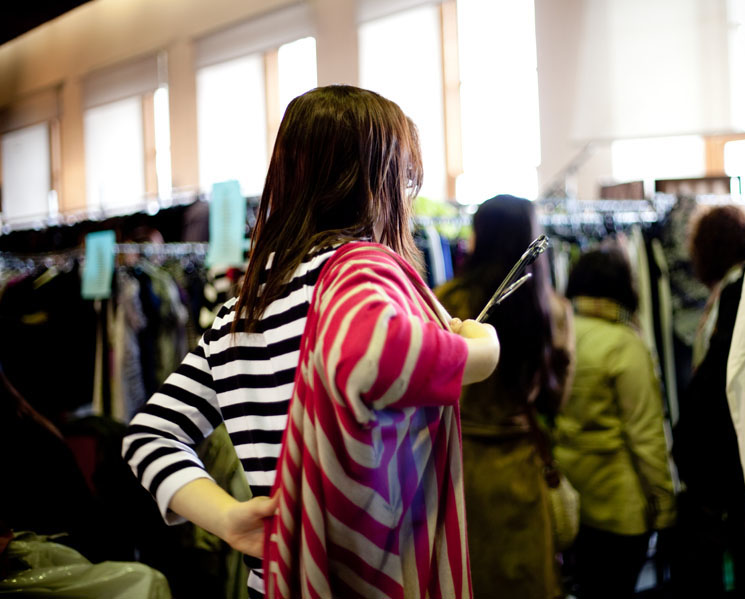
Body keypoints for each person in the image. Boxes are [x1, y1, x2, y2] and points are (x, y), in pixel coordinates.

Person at [123, 85, 500, 599]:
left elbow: (149, 434)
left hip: (279, 579)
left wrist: (228, 518)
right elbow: (376, 358)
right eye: (405, 176)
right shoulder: (359, 270)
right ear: (379, 180)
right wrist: (482, 349)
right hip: (368, 580)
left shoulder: (239, 313)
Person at [435, 195, 574, 599]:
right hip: (521, 470)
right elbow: (557, 400)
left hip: (460, 470)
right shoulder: (552, 309)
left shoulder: (447, 303)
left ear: (479, 236)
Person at [553, 242, 675, 598]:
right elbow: (646, 435)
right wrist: (665, 506)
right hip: (619, 506)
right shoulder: (624, 344)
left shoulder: (559, 335)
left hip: (572, 498)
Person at [671, 204, 745, 597]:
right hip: (735, 442)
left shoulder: (737, 293)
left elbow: (716, 379)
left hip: (731, 446)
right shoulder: (736, 289)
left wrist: (685, 445)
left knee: (740, 544)